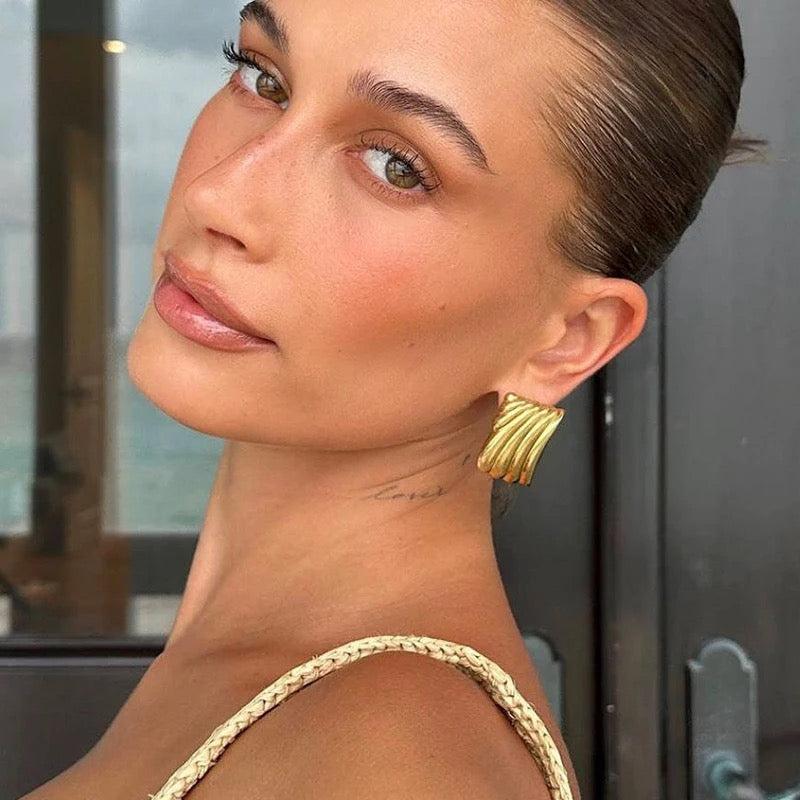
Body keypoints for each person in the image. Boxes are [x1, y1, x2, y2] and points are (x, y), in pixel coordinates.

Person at [23, 0, 765, 798]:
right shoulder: (296, 677)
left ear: (567, 341)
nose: (219, 196)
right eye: (263, 78)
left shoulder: (392, 761)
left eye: (395, 167)